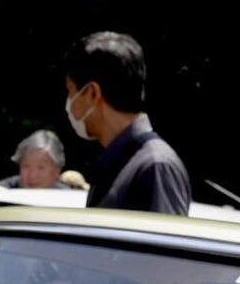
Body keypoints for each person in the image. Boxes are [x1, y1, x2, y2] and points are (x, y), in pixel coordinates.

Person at [62, 33, 189, 215]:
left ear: (92, 93)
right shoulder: (118, 162)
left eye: (70, 92)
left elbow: (164, 234)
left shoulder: (156, 167)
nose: (69, 103)